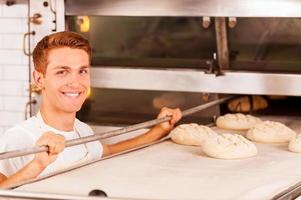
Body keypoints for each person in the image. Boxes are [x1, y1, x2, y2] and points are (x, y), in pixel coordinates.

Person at [0, 31, 182, 188]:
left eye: (82, 71)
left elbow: (109, 151)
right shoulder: (20, 138)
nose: (76, 83)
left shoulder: (82, 129)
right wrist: (37, 165)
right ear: (39, 79)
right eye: (62, 72)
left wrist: (159, 129)